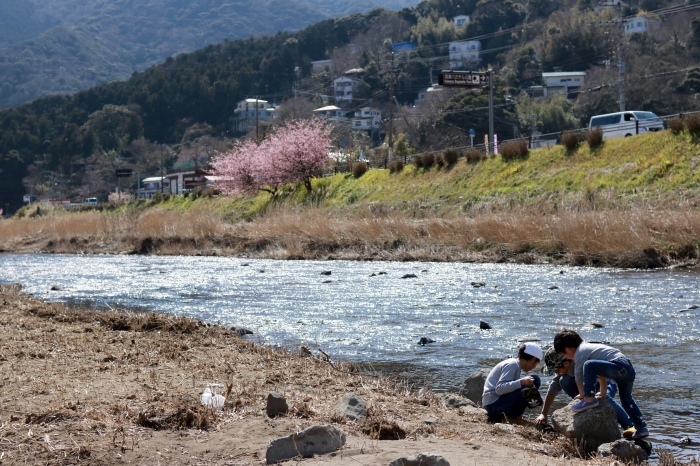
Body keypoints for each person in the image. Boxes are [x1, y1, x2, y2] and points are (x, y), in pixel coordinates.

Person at [553, 329, 649, 439]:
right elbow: (601, 375)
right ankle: (641, 427)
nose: (565, 357)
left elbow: (579, 376)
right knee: (626, 398)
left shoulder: (580, 352)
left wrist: (583, 395)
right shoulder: (590, 348)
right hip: (627, 367)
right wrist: (602, 394)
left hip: (617, 365)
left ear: (568, 349)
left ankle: (589, 400)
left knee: (588, 365)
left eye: (563, 354)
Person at [534, 349, 636, 438]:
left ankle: (629, 425)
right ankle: (586, 403)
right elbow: (552, 390)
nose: (557, 373)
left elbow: (602, 377)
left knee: (605, 399)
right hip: (588, 386)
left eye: (556, 370)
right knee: (563, 380)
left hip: (606, 380)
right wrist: (543, 414)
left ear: (566, 363)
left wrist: (600, 394)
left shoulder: (581, 361)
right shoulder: (564, 369)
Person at [482, 342, 543, 423]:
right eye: (536, 363)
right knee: (533, 382)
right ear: (533, 359)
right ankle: (513, 416)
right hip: (493, 407)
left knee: (533, 380)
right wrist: (521, 382)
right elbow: (499, 389)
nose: (534, 367)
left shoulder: (516, 365)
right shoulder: (512, 365)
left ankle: (514, 415)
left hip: (495, 405)